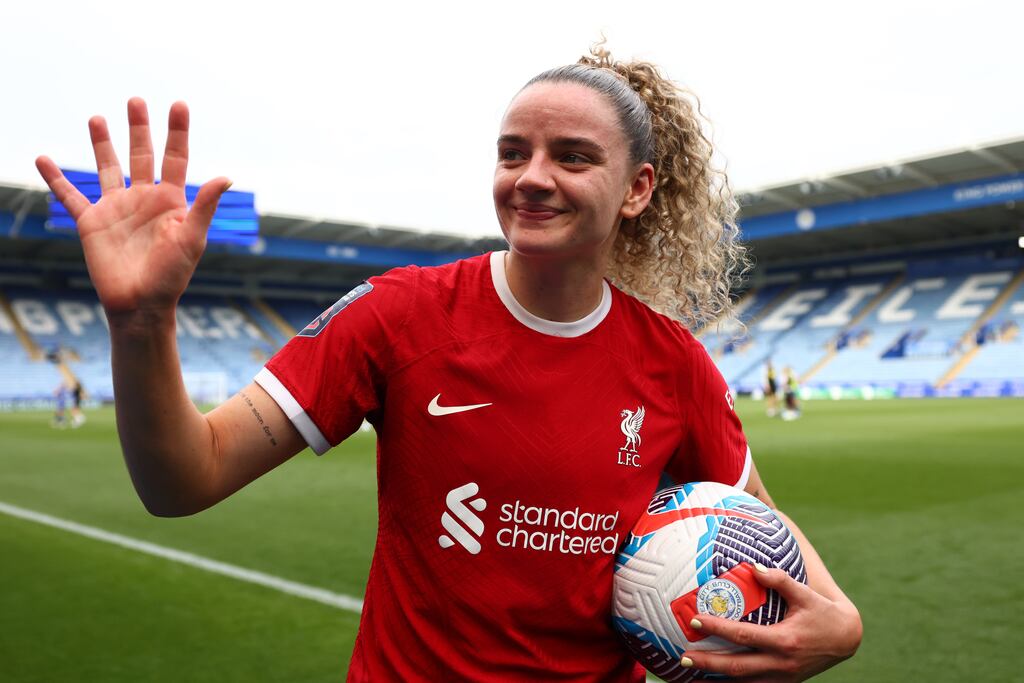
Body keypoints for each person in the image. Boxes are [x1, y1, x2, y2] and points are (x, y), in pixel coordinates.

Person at [36, 46, 861, 682]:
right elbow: (186, 479)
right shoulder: (398, 314)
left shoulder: (672, 363)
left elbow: (776, 541)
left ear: (637, 188)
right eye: (513, 152)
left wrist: (842, 628)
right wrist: (143, 322)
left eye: (572, 156)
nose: (532, 178)